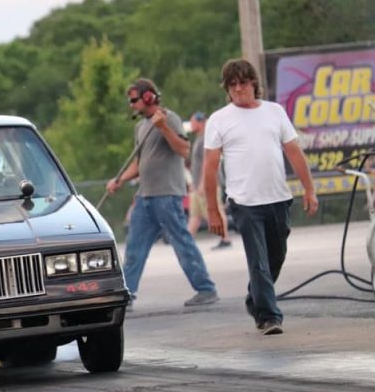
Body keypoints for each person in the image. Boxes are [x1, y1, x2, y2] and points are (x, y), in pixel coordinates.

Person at [203, 59, 318, 336]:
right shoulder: (219, 119)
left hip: (278, 198)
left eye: (243, 82)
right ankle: (269, 317)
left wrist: (309, 189)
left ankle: (255, 298)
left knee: (277, 256)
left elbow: (294, 151)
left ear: (254, 83)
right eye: (232, 84)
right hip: (244, 203)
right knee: (258, 262)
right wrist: (213, 210)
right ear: (227, 89)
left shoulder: (274, 112)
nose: (238, 89)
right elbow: (210, 167)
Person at [106, 78, 219, 307]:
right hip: (145, 196)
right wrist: (119, 180)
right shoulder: (140, 127)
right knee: (134, 248)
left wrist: (163, 127)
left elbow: (183, 149)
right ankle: (127, 295)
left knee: (182, 243)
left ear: (148, 97)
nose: (131, 105)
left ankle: (206, 289)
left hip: (167, 194)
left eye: (134, 100)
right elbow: (139, 163)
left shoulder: (170, 118)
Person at [186, 111, 232, 249]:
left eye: (193, 122)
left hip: (208, 184)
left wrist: (202, 183)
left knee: (217, 209)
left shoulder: (206, 139)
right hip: (197, 184)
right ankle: (188, 242)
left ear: (200, 122)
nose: (191, 125)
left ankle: (225, 238)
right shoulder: (199, 138)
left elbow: (207, 162)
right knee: (195, 214)